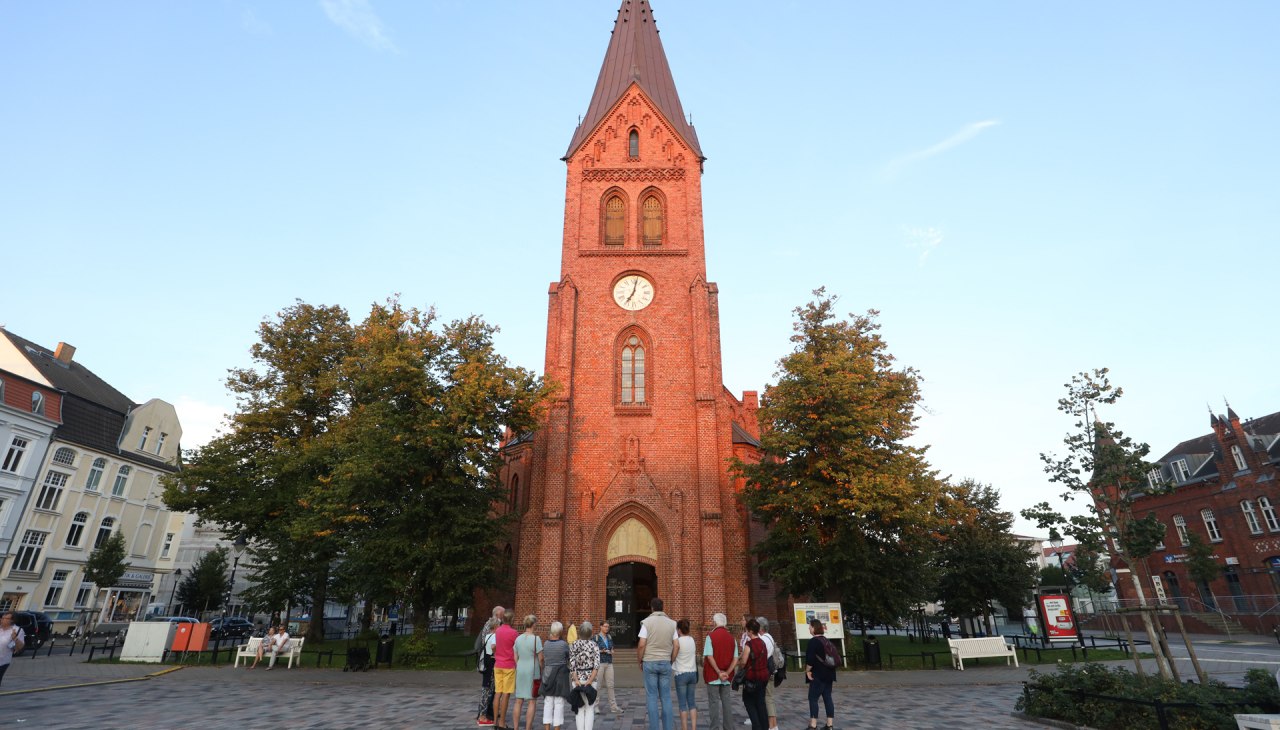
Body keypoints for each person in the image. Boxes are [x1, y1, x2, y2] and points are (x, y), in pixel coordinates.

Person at [637, 597, 677, 730]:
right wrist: (671, 659)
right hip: (665, 661)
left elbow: (642, 644)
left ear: (652, 608)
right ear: (663, 607)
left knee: (652, 697)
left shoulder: (646, 623)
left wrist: (640, 660)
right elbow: (676, 645)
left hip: (650, 661)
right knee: (666, 697)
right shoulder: (672, 623)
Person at [703, 612, 738, 730]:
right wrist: (727, 672)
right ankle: (728, 727)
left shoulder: (710, 636)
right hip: (727, 677)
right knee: (727, 703)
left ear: (715, 623)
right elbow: (735, 658)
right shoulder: (732, 639)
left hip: (714, 676)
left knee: (714, 703)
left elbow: (709, 656)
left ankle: (714, 728)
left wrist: (718, 672)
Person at [804, 618, 836, 730]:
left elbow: (810, 660)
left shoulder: (813, 641)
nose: (809, 628)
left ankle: (813, 725)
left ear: (813, 628)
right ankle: (829, 724)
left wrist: (807, 671)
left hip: (818, 674)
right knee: (827, 697)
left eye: (809, 627)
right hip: (830, 674)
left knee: (813, 698)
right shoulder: (826, 640)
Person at [512, 615, 543, 730]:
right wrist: (541, 668)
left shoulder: (518, 638)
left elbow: (515, 656)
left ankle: (516, 728)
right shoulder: (536, 639)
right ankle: (528, 727)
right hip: (532, 669)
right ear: (534, 624)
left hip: (520, 668)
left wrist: (519, 665)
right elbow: (541, 658)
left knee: (518, 700)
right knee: (532, 700)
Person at [569, 621, 601, 730]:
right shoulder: (594, 645)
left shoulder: (574, 644)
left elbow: (572, 664)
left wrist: (576, 679)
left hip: (577, 678)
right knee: (590, 708)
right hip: (590, 678)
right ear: (591, 633)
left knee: (580, 707)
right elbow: (596, 666)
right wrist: (590, 680)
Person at [739, 619, 769, 730]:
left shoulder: (749, 644)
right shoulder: (762, 642)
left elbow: (743, 662)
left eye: (747, 630)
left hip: (752, 678)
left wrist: (740, 664)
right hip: (763, 676)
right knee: (761, 703)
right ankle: (765, 726)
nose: (747, 632)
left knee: (749, 702)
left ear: (751, 631)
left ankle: (756, 726)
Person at [540, 621, 571, 730]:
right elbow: (568, 657)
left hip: (548, 674)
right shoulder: (563, 644)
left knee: (548, 701)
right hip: (560, 675)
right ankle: (557, 728)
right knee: (559, 702)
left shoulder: (546, 644)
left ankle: (547, 727)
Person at [493, 608, 519, 730]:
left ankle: (495, 721)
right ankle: (502, 722)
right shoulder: (514, 633)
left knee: (498, 693)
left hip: (498, 664)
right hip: (508, 665)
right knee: (506, 694)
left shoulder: (497, 630)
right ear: (512, 619)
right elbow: (516, 648)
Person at [593, 620, 623, 714]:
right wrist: (601, 651)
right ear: (601, 627)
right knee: (598, 685)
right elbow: (593, 650)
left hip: (609, 663)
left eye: (608, 627)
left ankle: (613, 706)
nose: (607, 628)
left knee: (610, 685)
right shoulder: (596, 638)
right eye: (605, 626)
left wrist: (612, 651)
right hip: (600, 663)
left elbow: (612, 647)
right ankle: (595, 706)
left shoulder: (609, 637)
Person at [673, 619, 698, 730]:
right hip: (692, 672)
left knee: (682, 704)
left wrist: (671, 660)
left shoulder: (678, 642)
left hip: (681, 673)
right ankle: (693, 728)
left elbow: (673, 656)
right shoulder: (692, 640)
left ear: (679, 630)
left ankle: (684, 728)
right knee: (692, 702)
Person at [756, 617, 780, 730]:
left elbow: (762, 657)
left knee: (768, 699)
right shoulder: (769, 637)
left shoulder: (764, 639)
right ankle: (773, 725)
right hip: (770, 671)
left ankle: (772, 725)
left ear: (760, 627)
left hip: (766, 672)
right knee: (769, 697)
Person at [476, 616, 500, 726]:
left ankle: (482, 715)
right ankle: (483, 717)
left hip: (485, 665)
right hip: (490, 665)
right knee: (488, 691)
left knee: (485, 690)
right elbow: (494, 647)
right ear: (495, 626)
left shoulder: (487, 636)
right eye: (499, 626)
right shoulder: (494, 636)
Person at [0, 612, 26, 687]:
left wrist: (15, 638)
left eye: (5, 618)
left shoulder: (17, 630)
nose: (3, 619)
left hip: (2, 661)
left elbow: (20, 647)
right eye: (2, 618)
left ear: (12, 620)